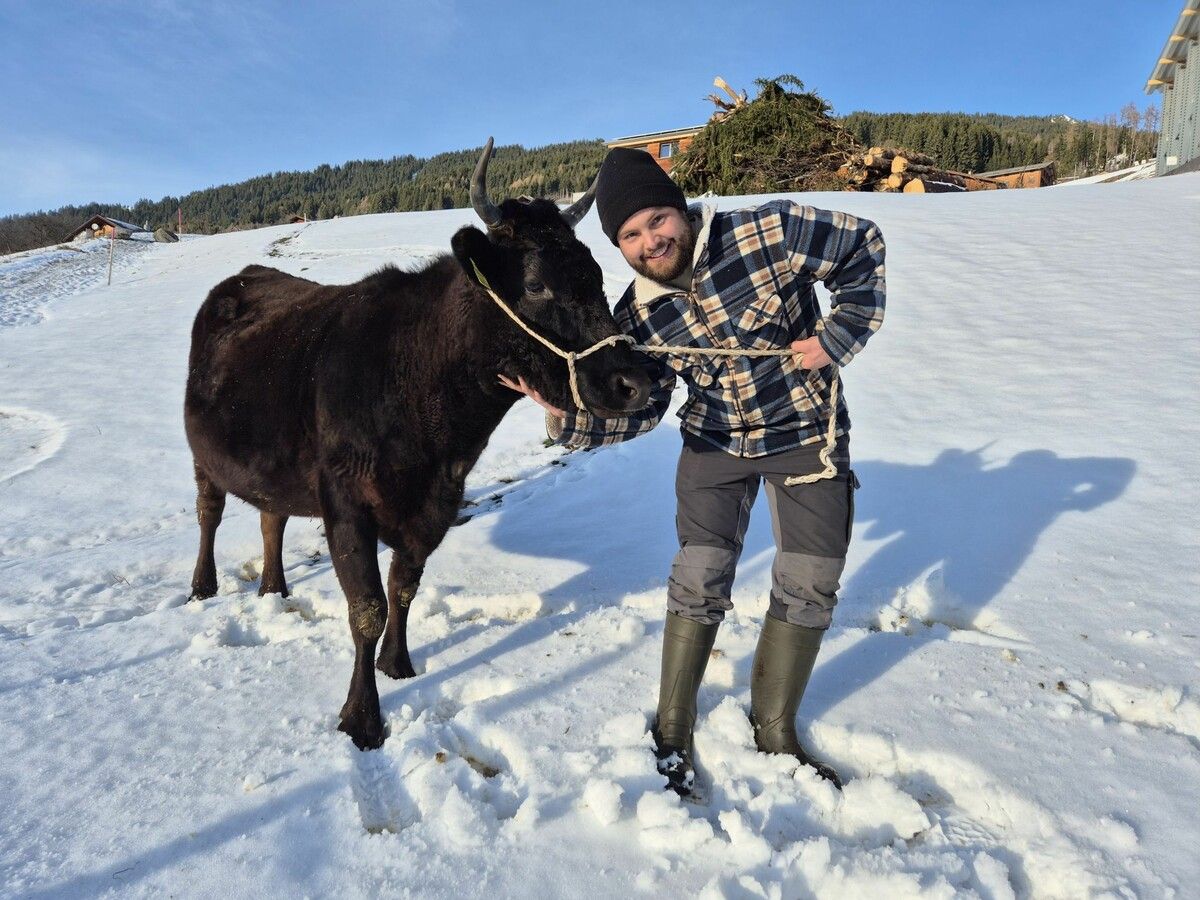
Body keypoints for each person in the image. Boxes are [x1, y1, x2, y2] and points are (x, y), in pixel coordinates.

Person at [500, 148, 886, 794]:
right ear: (618, 246)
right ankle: (673, 726)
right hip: (714, 443)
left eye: (657, 220)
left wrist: (838, 335)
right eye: (631, 234)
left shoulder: (768, 232)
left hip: (804, 434)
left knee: (809, 582)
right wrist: (567, 418)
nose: (651, 241)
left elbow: (862, 246)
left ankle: (775, 731)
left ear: (679, 209)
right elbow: (643, 406)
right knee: (698, 577)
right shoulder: (639, 317)